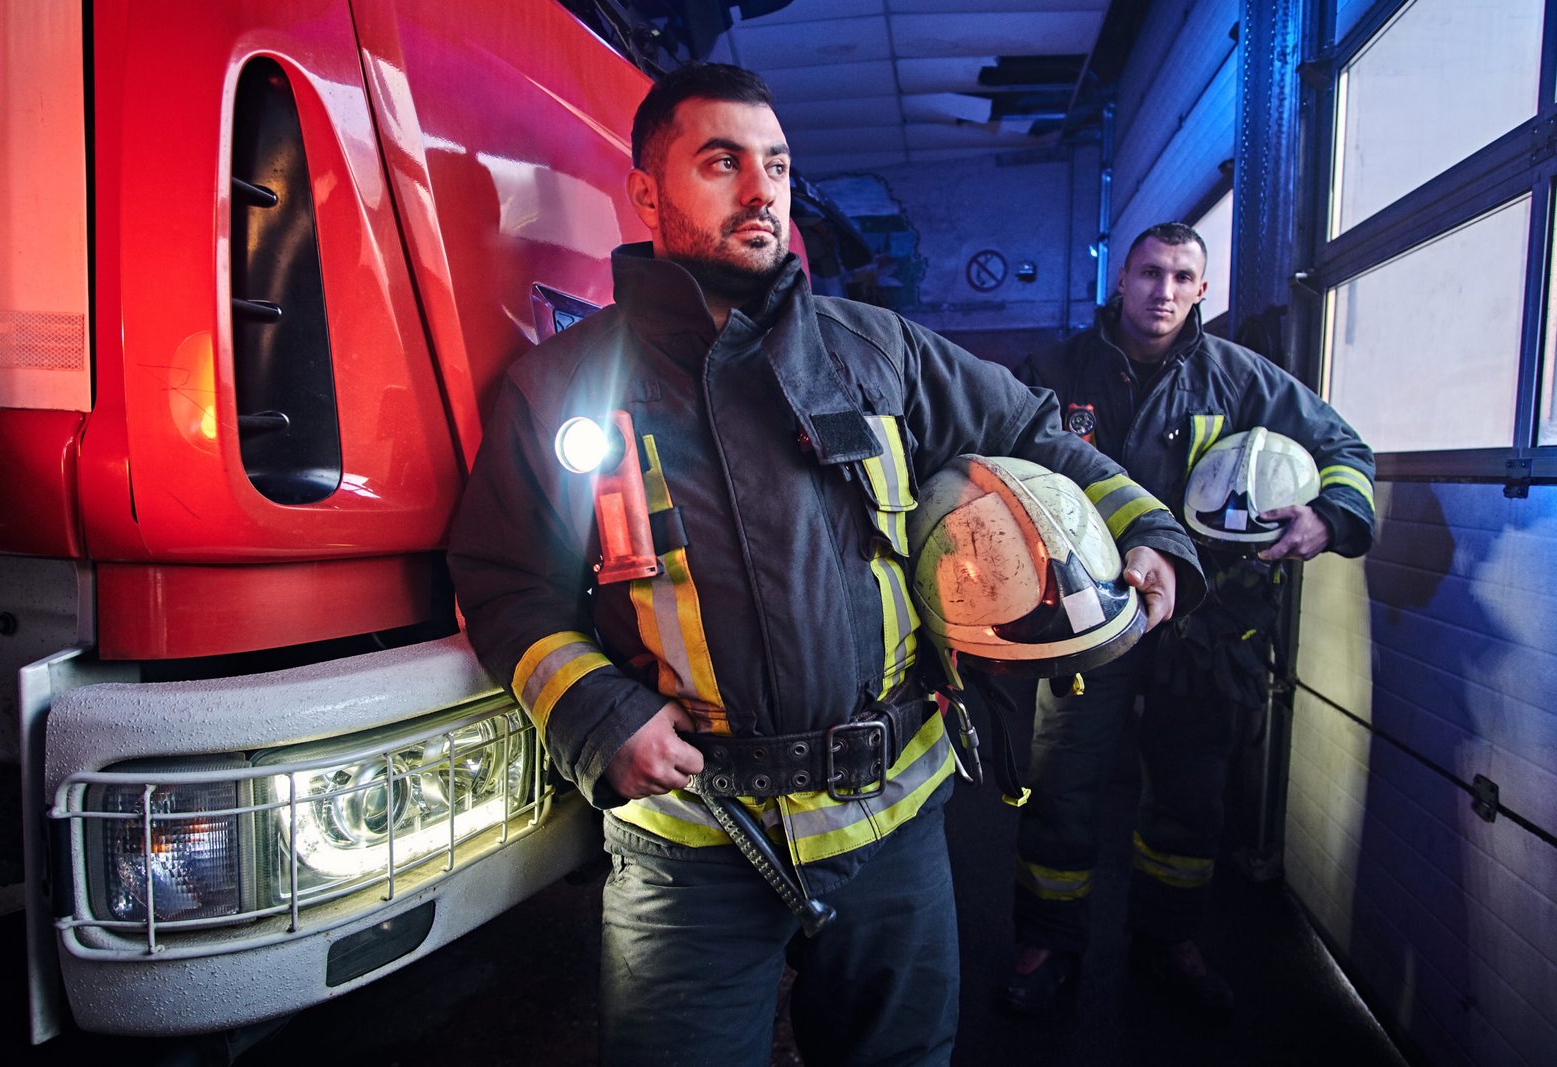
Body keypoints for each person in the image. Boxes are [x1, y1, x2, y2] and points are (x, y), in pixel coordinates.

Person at [447, 64, 1203, 1066]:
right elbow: (505, 580)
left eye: (777, 166)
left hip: (888, 827)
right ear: (645, 193)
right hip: (692, 845)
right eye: (721, 163)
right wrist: (596, 710)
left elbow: (1032, 429)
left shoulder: (879, 350)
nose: (761, 191)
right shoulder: (563, 386)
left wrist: (1151, 530)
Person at [1000, 222, 1376, 1016]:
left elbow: (1344, 447)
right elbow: (994, 462)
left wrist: (1330, 516)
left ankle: (1168, 938)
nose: (1162, 291)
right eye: (1149, 274)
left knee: (1190, 789)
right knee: (1063, 779)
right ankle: (1047, 939)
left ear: (1202, 290)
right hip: (1084, 616)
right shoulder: (1052, 373)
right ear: (1121, 279)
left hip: (1203, 624)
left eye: (1180, 277)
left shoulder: (1241, 379)